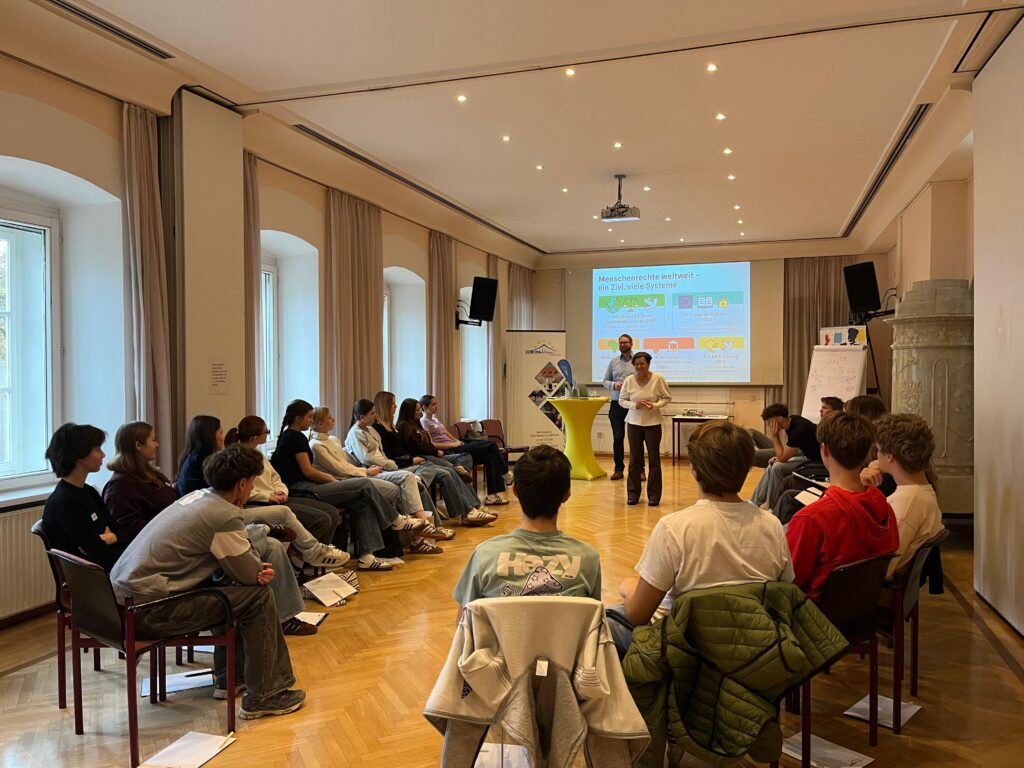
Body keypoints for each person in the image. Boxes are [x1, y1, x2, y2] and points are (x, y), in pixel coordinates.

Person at [110, 444, 306, 720]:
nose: (252, 489)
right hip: (149, 612)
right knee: (257, 597)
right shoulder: (223, 515)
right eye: (252, 483)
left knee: (233, 588)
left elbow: (240, 568)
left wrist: (249, 570)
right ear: (242, 484)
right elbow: (249, 572)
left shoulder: (199, 497)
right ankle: (265, 694)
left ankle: (231, 677)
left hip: (123, 604)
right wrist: (254, 570)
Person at [611, 421, 793, 655]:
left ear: (694, 469)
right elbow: (784, 593)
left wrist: (630, 589)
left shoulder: (674, 528)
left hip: (685, 651)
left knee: (602, 622)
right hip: (751, 649)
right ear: (749, 467)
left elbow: (637, 615)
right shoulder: (773, 526)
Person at [271, 399, 424, 571]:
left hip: (308, 485)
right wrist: (332, 480)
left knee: (363, 503)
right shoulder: (295, 437)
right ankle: (395, 519)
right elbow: (308, 472)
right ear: (298, 419)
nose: (311, 421)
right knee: (364, 484)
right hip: (303, 489)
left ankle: (367, 557)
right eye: (309, 417)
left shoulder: (293, 436)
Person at [452, 445, 601, 612]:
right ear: (567, 495)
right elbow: (592, 618)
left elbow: (464, 622)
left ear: (515, 491)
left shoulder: (484, 555)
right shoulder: (589, 559)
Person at [786, 412, 900, 603]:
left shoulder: (811, 519)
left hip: (814, 614)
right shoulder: (884, 508)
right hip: (864, 607)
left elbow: (789, 581)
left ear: (825, 449)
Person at [225, 416, 351, 572]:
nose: (268, 434)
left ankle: (313, 557)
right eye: (266, 432)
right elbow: (242, 490)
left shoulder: (258, 454)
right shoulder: (239, 458)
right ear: (254, 437)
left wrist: (281, 490)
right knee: (321, 519)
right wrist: (268, 496)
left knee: (331, 511)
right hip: (263, 503)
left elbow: (275, 478)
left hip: (278, 498)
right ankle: (307, 560)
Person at [394, 397, 496, 526]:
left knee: (462, 466)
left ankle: (474, 507)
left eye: (420, 409)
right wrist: (437, 452)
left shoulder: (416, 423)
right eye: (417, 410)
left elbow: (427, 443)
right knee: (453, 472)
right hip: (422, 458)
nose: (420, 412)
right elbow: (419, 447)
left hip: (430, 454)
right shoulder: (405, 426)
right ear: (409, 411)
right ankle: (468, 511)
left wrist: (443, 448)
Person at [42, 423, 124, 571]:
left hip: (114, 567)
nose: (103, 455)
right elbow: (101, 555)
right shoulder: (64, 504)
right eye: (97, 449)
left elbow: (120, 530)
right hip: (98, 576)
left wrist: (112, 537)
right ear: (79, 454)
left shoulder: (88, 491)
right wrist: (111, 537)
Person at [872, 414, 945, 578]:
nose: (876, 455)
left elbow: (883, 570)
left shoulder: (906, 503)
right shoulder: (922, 490)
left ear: (889, 456)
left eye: (878, 450)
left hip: (877, 585)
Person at [418, 394, 510, 506]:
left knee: (491, 457)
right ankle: (505, 473)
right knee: (491, 445)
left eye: (436, 403)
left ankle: (492, 496)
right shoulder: (424, 422)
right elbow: (432, 444)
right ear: (425, 407)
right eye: (433, 404)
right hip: (450, 451)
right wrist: (453, 444)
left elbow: (446, 434)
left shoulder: (435, 419)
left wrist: (456, 441)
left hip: (456, 445)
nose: (436, 406)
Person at [102, 421, 178, 545]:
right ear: (138, 445)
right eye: (153, 440)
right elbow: (131, 531)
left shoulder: (148, 473)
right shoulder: (119, 487)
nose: (157, 445)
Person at [619, 351, 672, 506]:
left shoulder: (658, 379)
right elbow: (621, 400)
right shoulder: (629, 380)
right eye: (636, 364)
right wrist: (634, 405)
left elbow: (667, 398)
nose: (639, 366)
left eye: (642, 363)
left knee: (654, 460)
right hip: (633, 423)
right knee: (634, 460)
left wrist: (654, 405)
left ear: (648, 364)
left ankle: (654, 496)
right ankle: (633, 494)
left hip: (653, 424)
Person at [750, 403, 821, 510]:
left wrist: (775, 436)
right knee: (772, 464)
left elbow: (783, 458)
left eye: (770, 421)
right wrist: (779, 458)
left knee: (777, 467)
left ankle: (771, 506)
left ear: (779, 419)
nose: (769, 425)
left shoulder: (798, 430)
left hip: (815, 461)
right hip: (806, 455)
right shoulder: (793, 420)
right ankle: (755, 502)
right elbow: (788, 451)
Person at [601, 334, 635, 481]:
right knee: (618, 437)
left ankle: (639, 470)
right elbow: (605, 381)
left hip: (633, 404)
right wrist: (614, 385)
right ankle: (619, 469)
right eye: (620, 343)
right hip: (616, 404)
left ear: (631, 344)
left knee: (636, 439)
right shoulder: (613, 362)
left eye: (625, 343)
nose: (622, 345)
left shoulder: (638, 361)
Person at [176, 415, 223, 496]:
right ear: (209, 435)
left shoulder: (194, 457)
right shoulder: (199, 462)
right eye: (221, 433)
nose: (223, 438)